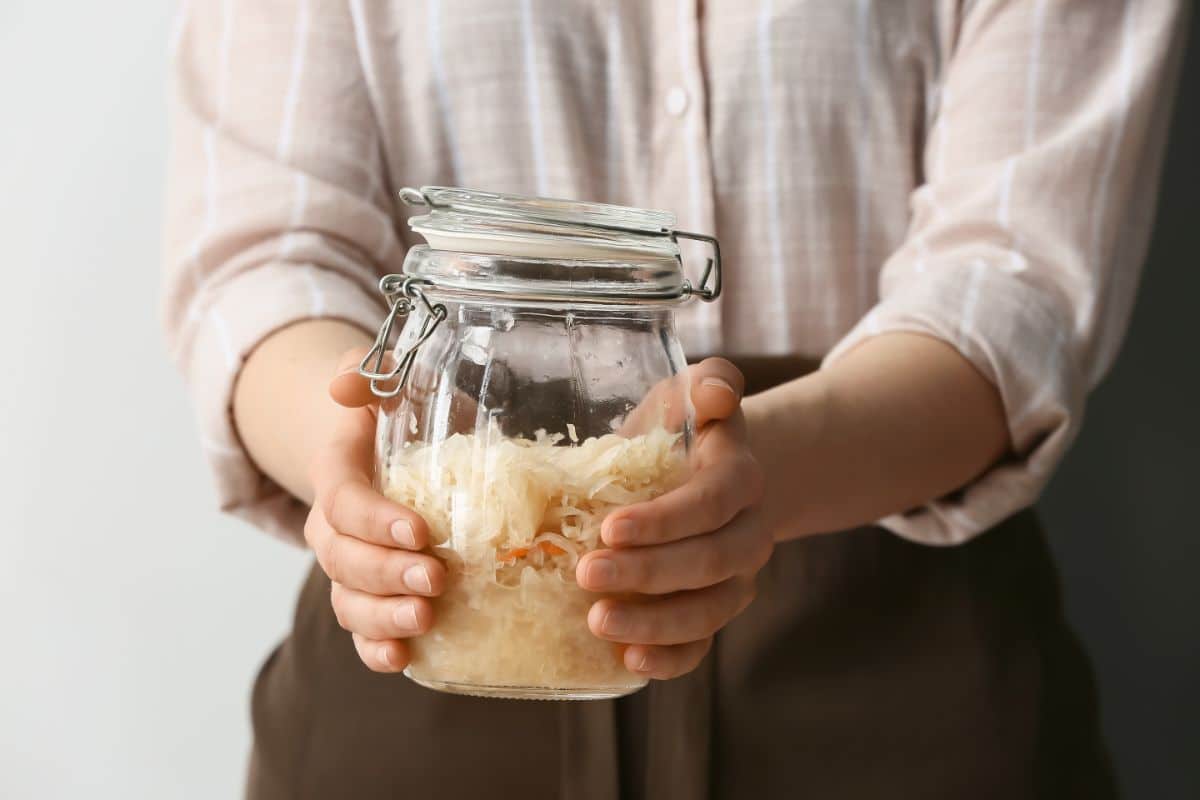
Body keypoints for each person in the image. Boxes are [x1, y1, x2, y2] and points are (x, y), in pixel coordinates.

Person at [162, 2, 1186, 798]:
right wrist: (354, 457)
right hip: (428, 638)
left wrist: (760, 472)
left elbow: (1015, 274)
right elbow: (265, 255)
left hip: (895, 674)